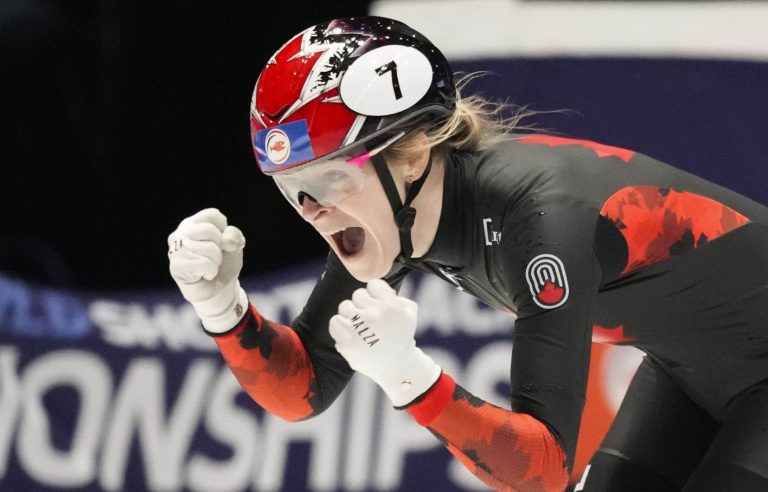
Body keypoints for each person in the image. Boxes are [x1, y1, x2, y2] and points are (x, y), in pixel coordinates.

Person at [167, 16, 768, 491]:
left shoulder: (543, 216)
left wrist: (409, 377)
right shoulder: (393, 216)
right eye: (290, 186)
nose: (309, 208)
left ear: (411, 153)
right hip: (692, 370)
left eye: (327, 179)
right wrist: (223, 308)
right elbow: (306, 389)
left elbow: (543, 470)